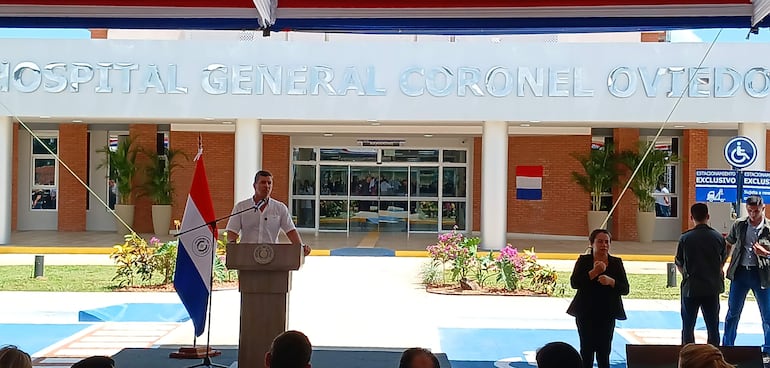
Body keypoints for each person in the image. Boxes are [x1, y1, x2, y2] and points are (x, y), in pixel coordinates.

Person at [567, 229, 630, 368]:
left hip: (607, 314)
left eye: (607, 242)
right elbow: (574, 283)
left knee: (604, 351)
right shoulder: (583, 261)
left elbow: (625, 289)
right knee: (586, 350)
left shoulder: (616, 262)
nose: (604, 245)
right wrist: (594, 272)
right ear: (592, 243)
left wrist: (611, 281)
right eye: (600, 241)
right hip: (586, 313)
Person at [722, 195, 770, 363]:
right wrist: (722, 264)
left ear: (763, 209)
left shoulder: (769, 228)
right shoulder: (740, 224)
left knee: (767, 315)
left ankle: (768, 350)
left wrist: (765, 253)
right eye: (749, 211)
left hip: (762, 275)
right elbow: (729, 243)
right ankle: (727, 347)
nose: (752, 214)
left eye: (756, 211)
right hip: (740, 274)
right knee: (733, 313)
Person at [675, 202, 727, 346]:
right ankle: (714, 358)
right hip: (711, 288)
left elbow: (678, 262)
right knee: (713, 327)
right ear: (708, 216)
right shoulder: (718, 237)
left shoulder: (685, 238)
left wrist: (686, 275)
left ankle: (688, 358)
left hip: (691, 288)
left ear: (692, 217)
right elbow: (722, 260)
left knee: (688, 327)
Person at [226, 170, 311, 256]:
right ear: (254, 186)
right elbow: (232, 232)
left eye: (269, 183)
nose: (266, 186)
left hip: (272, 256)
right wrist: (233, 249)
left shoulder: (280, 208)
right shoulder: (242, 207)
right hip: (247, 256)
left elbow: (291, 231)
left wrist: (301, 247)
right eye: (263, 182)